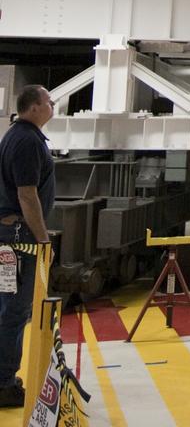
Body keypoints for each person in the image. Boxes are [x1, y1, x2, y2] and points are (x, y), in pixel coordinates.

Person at [0, 86, 55, 408]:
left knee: (9, 308)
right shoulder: (27, 141)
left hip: (12, 237)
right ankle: (4, 383)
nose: (52, 107)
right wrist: (43, 238)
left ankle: (4, 376)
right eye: (49, 102)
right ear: (34, 107)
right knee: (15, 310)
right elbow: (27, 194)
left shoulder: (15, 136)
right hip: (20, 239)